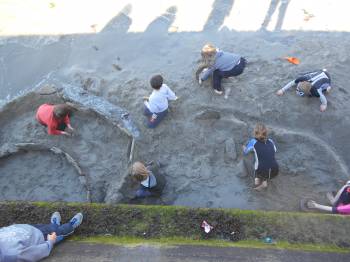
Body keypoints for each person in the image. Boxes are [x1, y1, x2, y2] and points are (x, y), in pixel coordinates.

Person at [0, 212, 83, 261]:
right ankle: (71, 225)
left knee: (49, 227)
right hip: (38, 236)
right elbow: (35, 253)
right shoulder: (12, 255)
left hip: (23, 229)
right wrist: (50, 242)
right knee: (58, 232)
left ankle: (54, 224)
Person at [243, 123, 279, 190]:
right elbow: (275, 150)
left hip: (263, 171)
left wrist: (244, 147)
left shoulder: (253, 141)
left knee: (257, 165)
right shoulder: (271, 141)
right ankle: (262, 180)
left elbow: (246, 152)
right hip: (275, 170)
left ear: (255, 133)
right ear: (266, 133)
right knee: (266, 162)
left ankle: (262, 183)